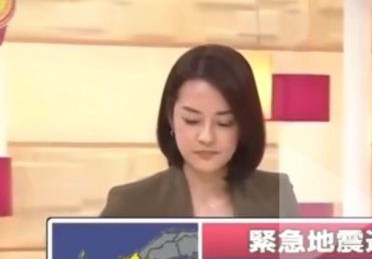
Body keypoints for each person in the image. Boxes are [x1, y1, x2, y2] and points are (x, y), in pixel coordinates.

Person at [100, 44, 299, 217]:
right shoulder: (130, 205)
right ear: (170, 117)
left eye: (224, 122)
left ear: (243, 125)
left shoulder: (277, 196)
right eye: (192, 120)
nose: (206, 137)